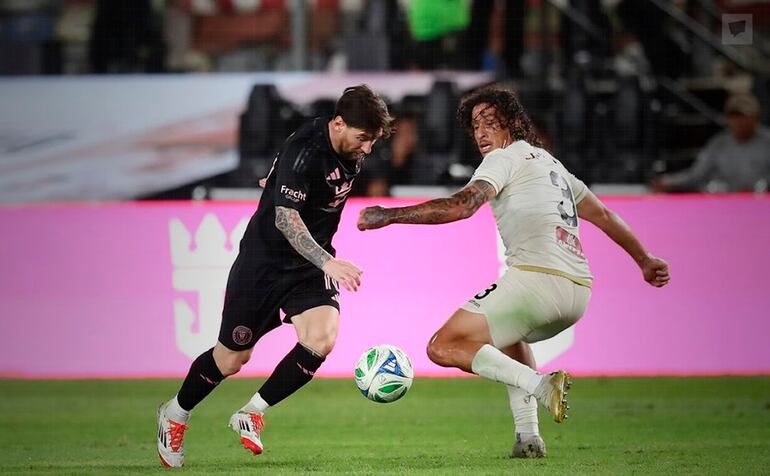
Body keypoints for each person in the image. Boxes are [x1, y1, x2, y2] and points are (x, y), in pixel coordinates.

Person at [357, 84, 670, 458]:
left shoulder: (501, 160)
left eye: (491, 122)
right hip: (577, 293)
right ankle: (528, 438)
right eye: (475, 125)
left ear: (513, 124)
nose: (482, 132)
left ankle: (541, 386)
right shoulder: (551, 164)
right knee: (507, 336)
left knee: (442, 346)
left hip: (536, 282)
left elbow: (462, 206)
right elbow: (602, 215)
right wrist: (644, 259)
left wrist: (389, 215)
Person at [156, 85, 393, 467]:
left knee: (321, 339)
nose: (367, 149)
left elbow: (278, 179)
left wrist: (276, 184)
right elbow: (285, 218)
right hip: (263, 265)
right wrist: (328, 262)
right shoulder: (307, 149)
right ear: (338, 124)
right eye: (363, 139)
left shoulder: (345, 147)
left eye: (373, 141)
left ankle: (252, 412)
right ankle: (175, 413)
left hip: (307, 267)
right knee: (232, 359)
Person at [653, 93, 770, 193]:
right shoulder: (718, 143)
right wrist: (669, 181)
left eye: (744, 116)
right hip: (726, 203)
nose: (740, 122)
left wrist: (759, 187)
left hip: (762, 202)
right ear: (728, 119)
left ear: (755, 118)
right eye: (735, 116)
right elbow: (696, 174)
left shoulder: (767, 141)